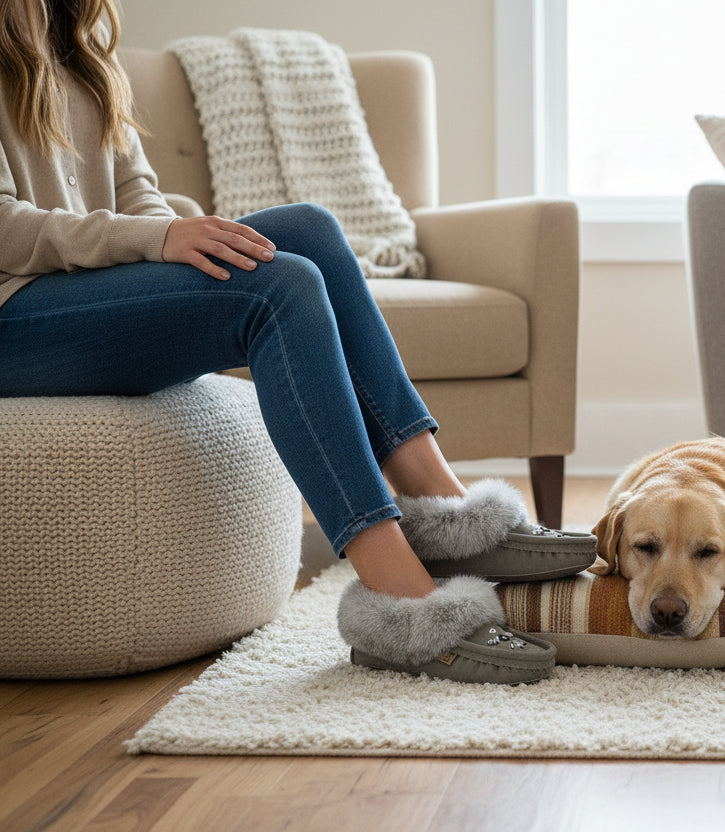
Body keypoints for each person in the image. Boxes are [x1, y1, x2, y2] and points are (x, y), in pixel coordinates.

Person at [0, 0, 594, 684]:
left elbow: (138, 194)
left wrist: (180, 238)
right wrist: (155, 241)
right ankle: (398, 599)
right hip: (16, 316)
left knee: (308, 230)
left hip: (81, 295)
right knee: (278, 287)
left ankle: (446, 515)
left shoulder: (78, 44)